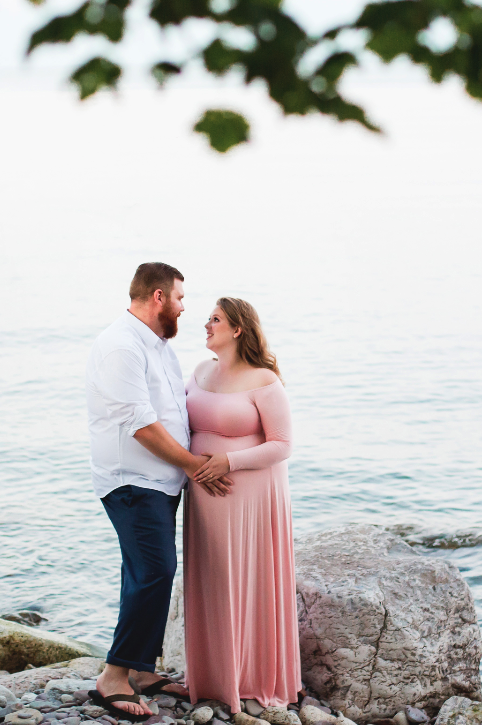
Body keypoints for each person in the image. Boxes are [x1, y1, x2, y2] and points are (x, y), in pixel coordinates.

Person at [85, 263, 234, 722]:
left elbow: (176, 408)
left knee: (145, 572)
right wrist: (195, 467)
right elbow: (140, 426)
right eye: (181, 299)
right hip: (133, 481)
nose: (185, 308)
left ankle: (141, 670)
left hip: (160, 482)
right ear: (157, 297)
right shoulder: (121, 347)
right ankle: (113, 676)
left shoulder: (159, 346)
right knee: (155, 570)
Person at [183, 297, 302, 710]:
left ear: (237, 329)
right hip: (203, 497)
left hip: (249, 497)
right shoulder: (199, 372)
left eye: (214, 319)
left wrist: (227, 462)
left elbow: (282, 445)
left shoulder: (264, 379)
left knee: (249, 581)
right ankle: (212, 679)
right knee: (211, 580)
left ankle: (251, 680)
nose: (206, 325)